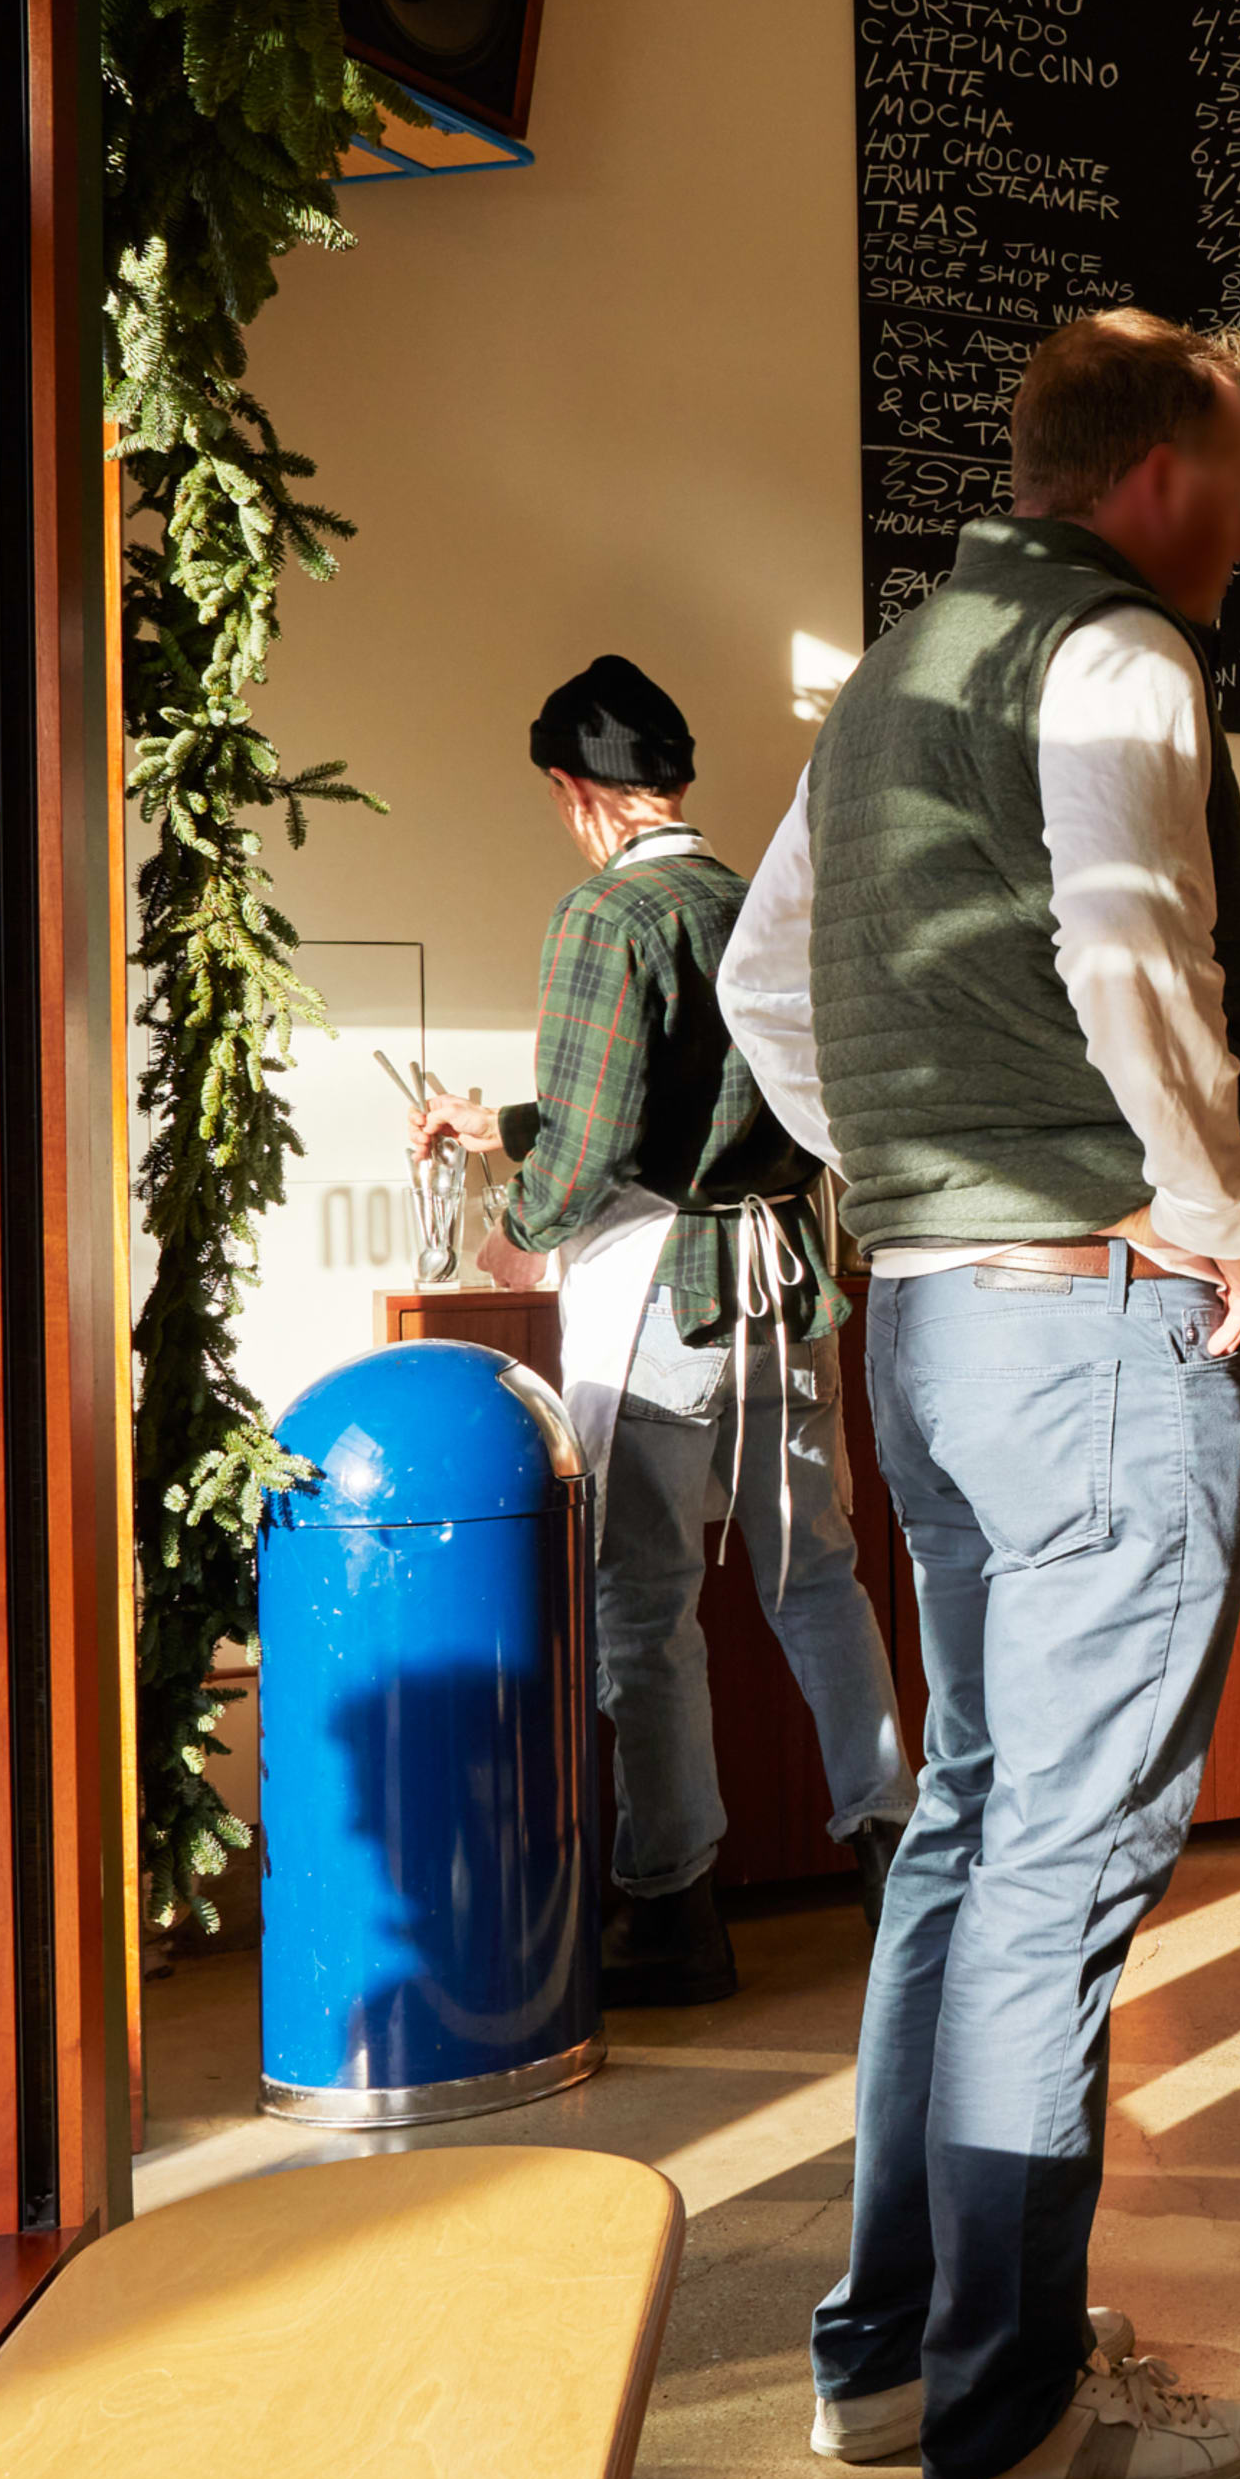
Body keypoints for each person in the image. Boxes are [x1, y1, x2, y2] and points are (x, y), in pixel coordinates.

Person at [720, 308, 1240, 2479]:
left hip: (934, 1321)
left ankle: (891, 2368)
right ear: (1162, 473)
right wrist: (1209, 1213)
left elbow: (764, 985)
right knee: (1056, 1873)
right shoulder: (1114, 657)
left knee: (974, 1835)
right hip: (1086, 1318)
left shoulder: (891, 677)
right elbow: (1133, 947)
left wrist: (917, 1156)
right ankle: (1015, 2425)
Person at [406, 658, 909, 2008]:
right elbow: (710, 1098)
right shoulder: (764, 907)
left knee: (646, 1604)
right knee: (820, 1582)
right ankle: (895, 1853)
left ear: (578, 794)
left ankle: (676, 1908)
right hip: (787, 1289)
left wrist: (523, 1213)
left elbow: (606, 1140)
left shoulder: (602, 919)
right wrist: (504, 1123)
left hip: (658, 1299)